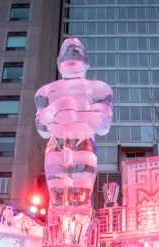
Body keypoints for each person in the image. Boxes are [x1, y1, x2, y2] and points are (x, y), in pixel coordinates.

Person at [34, 38, 113, 208]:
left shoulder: (99, 88)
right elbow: (42, 128)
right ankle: (59, 231)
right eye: (66, 51)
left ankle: (78, 232)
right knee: (56, 198)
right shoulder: (45, 92)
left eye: (76, 50)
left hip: (83, 143)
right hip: (56, 145)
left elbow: (103, 126)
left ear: (87, 62)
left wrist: (75, 111)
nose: (71, 54)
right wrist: (53, 111)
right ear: (58, 61)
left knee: (81, 197)